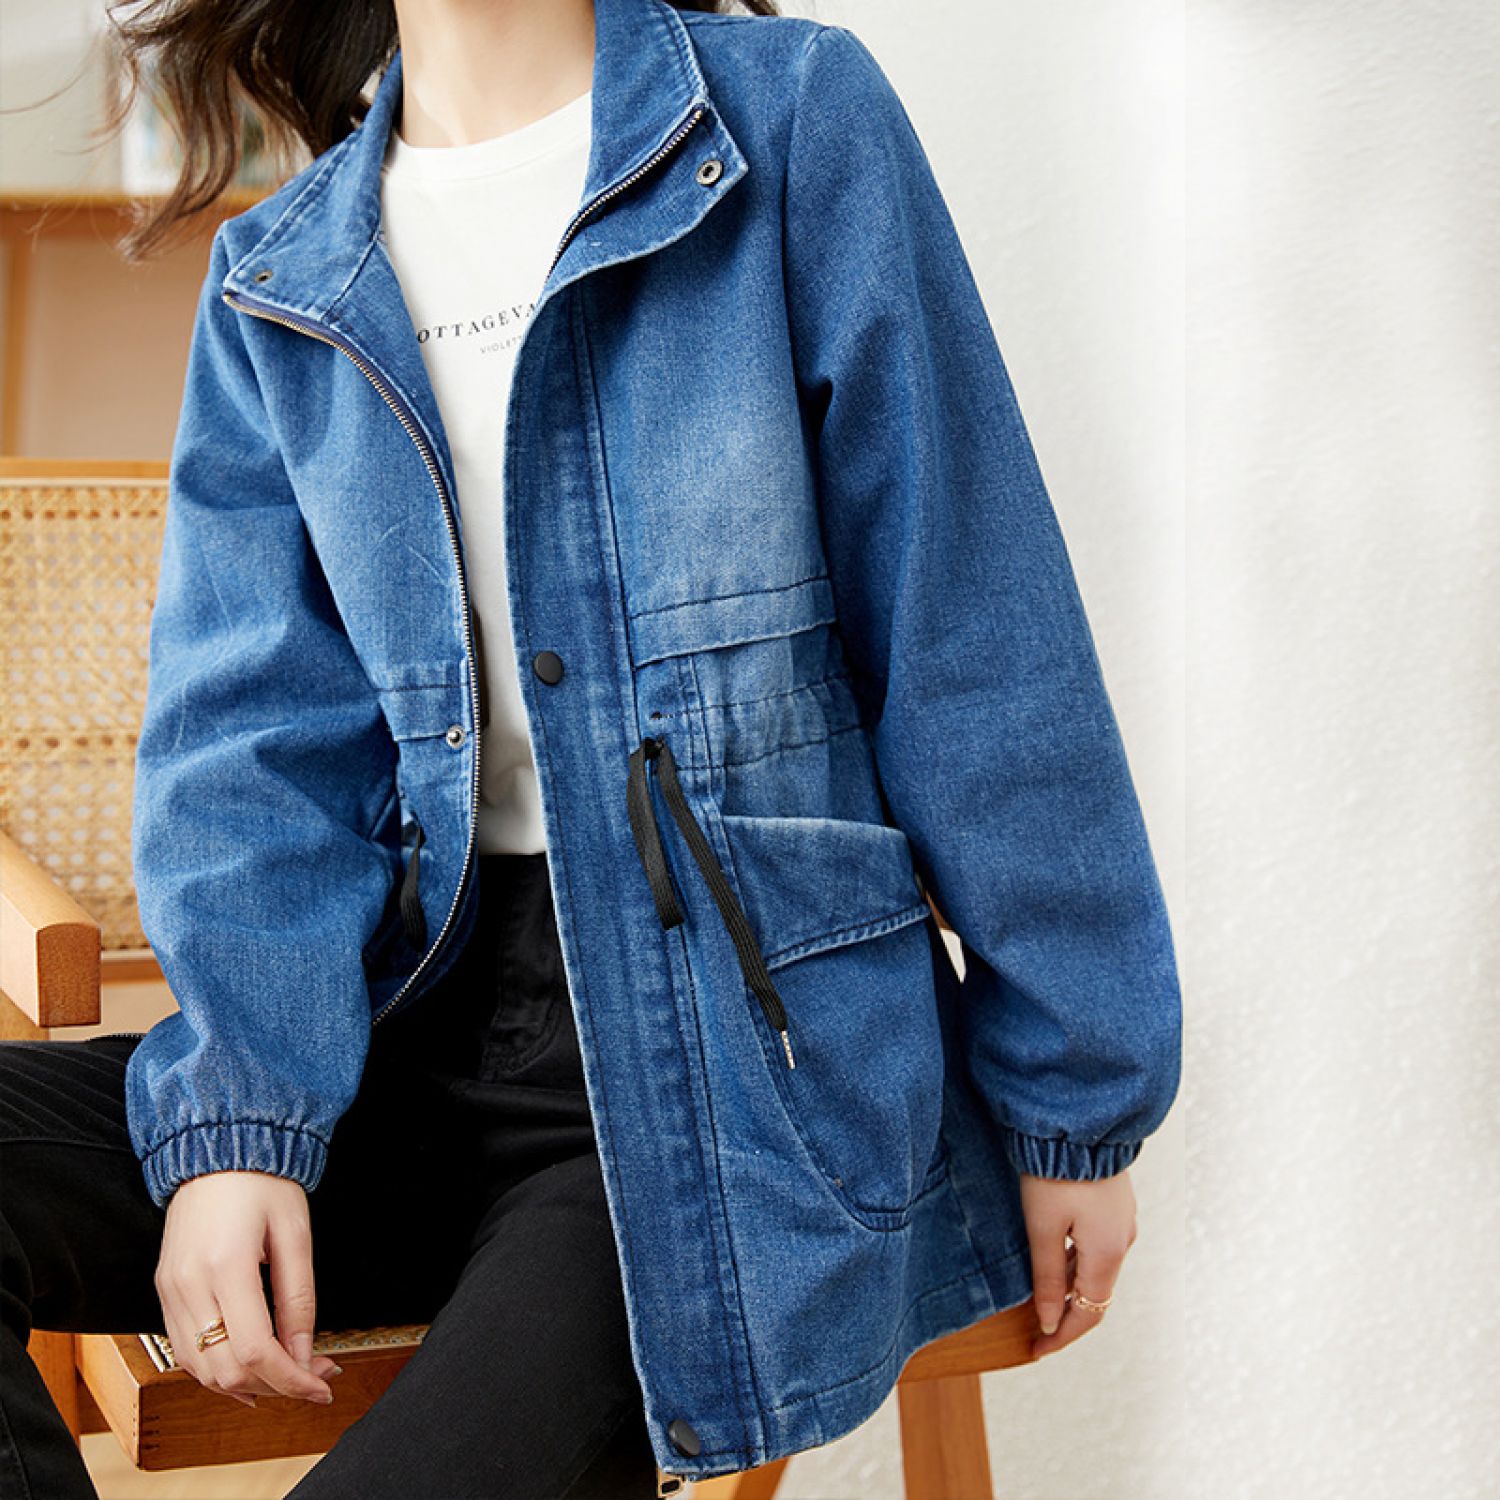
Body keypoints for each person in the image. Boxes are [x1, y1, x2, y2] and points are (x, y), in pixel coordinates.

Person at [0, 0, 1182, 1494]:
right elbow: (251, 751)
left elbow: (973, 631)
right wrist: (240, 1122)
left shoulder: (786, 124)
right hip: (400, 1034)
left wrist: (1074, 1099)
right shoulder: (280, 272)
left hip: (725, 1089)